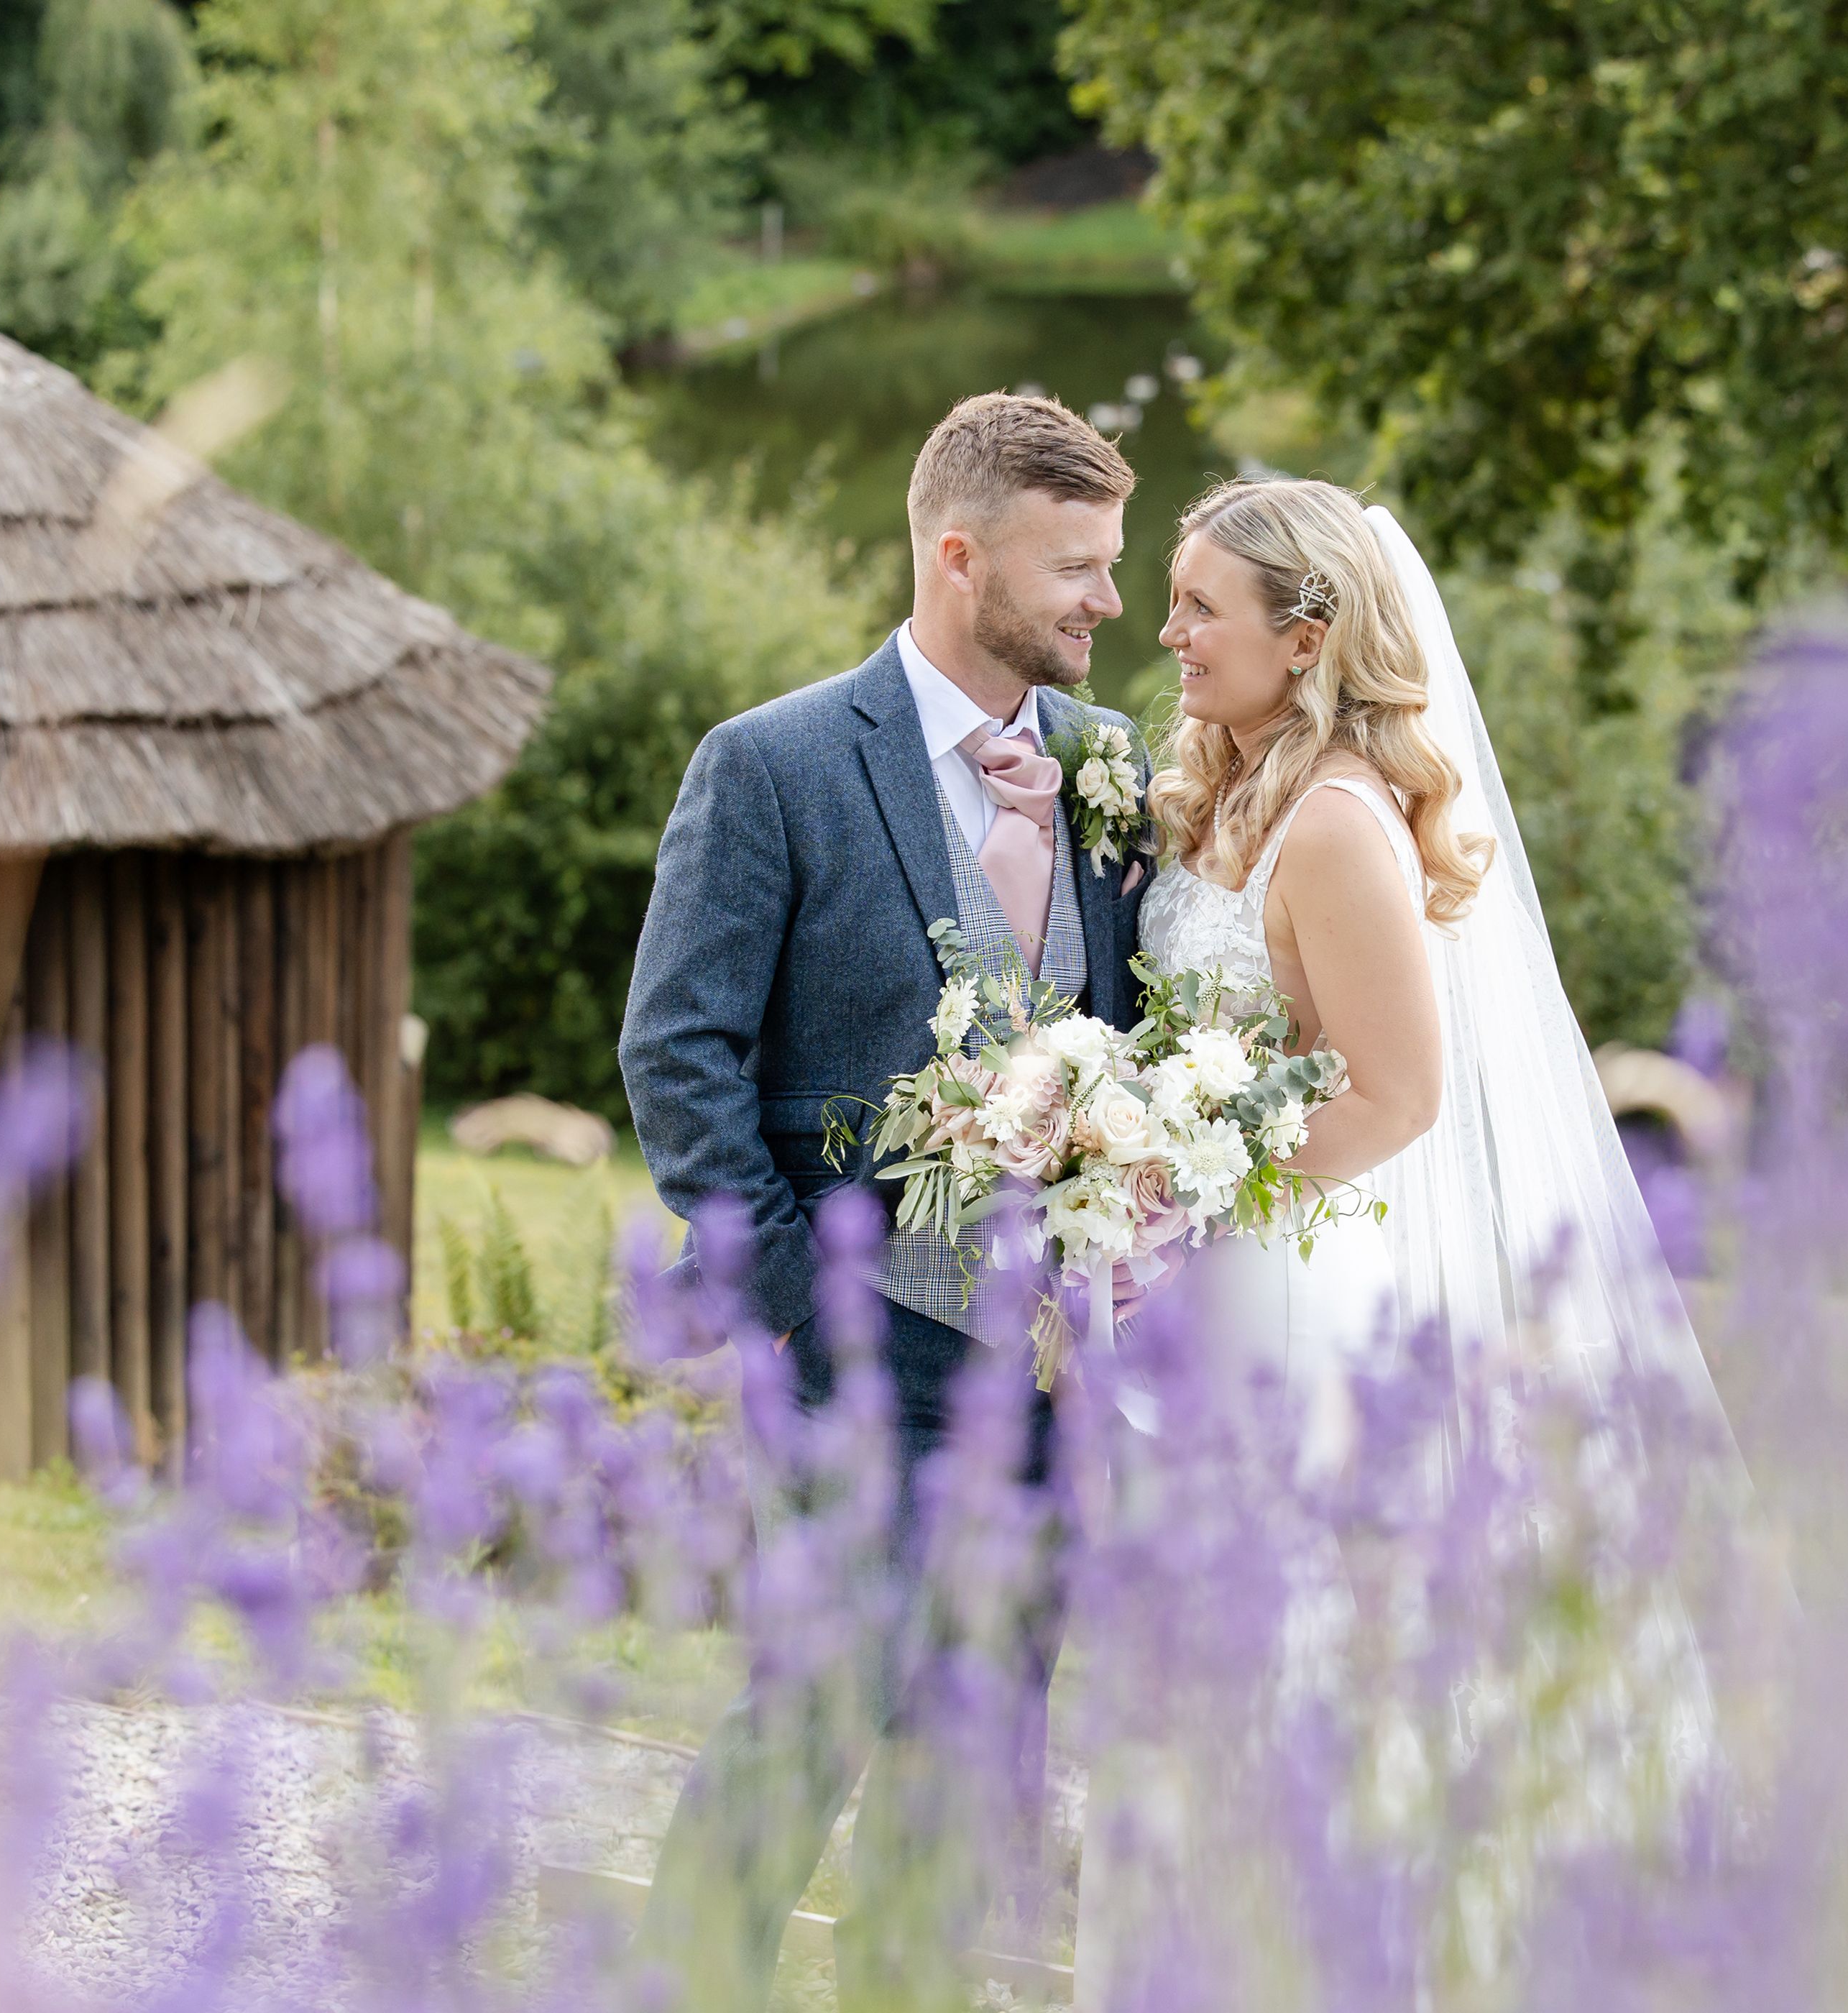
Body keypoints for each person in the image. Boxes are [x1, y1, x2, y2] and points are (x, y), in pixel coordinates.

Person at [1072, 477, 1747, 2004]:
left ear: (1305, 636)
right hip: (1215, 1287)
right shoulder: (1233, 788)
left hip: (1297, 1291)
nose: (1164, 630)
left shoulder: (1337, 825)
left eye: (1198, 608)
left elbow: (1397, 1093)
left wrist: (1177, 1185)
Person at [619, 392, 1149, 2010]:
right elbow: (677, 1052)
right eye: (1077, 567)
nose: (1108, 605)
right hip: (856, 1343)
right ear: (959, 552)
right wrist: (796, 1296)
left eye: (1119, 566)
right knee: (818, 1704)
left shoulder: (1108, 767)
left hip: (1046, 1366)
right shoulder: (772, 764)